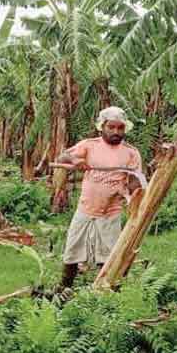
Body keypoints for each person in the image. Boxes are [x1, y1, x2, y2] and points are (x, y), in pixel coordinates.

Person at [56, 106, 143, 289]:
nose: (116, 132)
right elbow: (63, 157)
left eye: (120, 128)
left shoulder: (131, 152)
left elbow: (135, 180)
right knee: (72, 251)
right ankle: (63, 290)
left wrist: (135, 197)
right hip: (86, 209)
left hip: (111, 211)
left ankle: (107, 292)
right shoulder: (89, 145)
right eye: (111, 127)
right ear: (102, 127)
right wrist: (75, 161)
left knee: (110, 255)